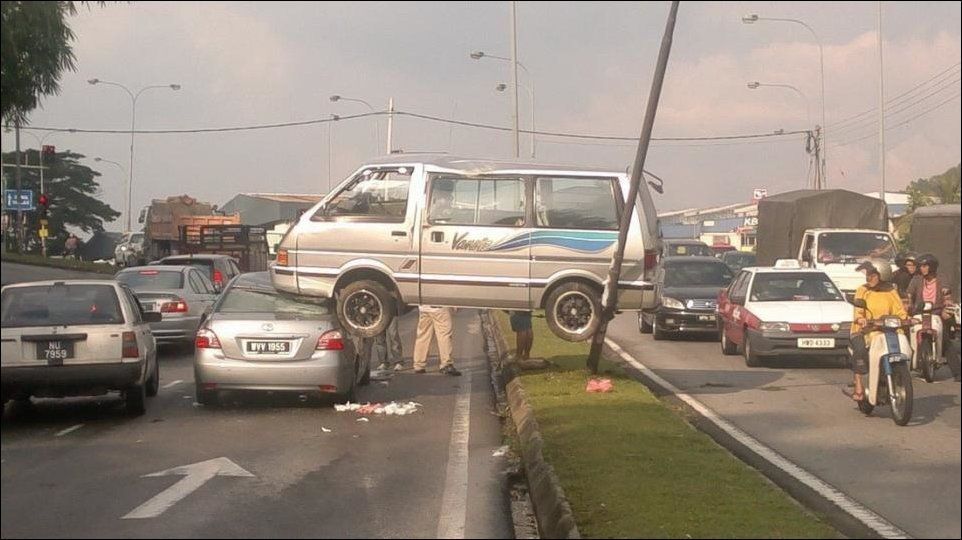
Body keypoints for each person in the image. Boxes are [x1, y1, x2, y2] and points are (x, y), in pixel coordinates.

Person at [849, 261, 907, 402]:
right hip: (864, 330)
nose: (869, 278)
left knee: (904, 343)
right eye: (868, 275)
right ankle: (858, 384)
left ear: (882, 275)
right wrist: (861, 319)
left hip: (887, 330)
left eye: (873, 275)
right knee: (860, 350)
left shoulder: (891, 291)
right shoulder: (862, 290)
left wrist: (907, 320)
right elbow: (858, 312)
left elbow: (900, 312)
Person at [412, 305, 461, 376]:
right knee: (444, 335)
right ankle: (446, 364)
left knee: (423, 336)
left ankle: (419, 365)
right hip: (440, 307)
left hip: (424, 307)